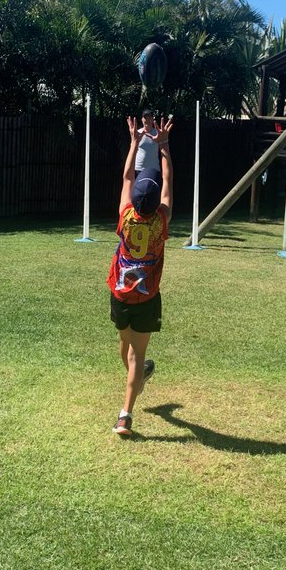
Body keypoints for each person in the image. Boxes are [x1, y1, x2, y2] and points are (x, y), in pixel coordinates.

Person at [106, 114, 174, 436]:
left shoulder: (125, 215)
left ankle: (135, 380)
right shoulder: (161, 220)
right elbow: (168, 182)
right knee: (136, 355)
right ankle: (125, 416)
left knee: (125, 346)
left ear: (134, 199)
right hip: (146, 298)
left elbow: (126, 177)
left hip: (120, 294)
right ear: (156, 201)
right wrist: (164, 146)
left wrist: (134, 143)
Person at [134, 107, 159, 172]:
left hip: (154, 169)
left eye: (149, 117)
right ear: (142, 119)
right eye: (145, 117)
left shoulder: (158, 133)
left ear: (153, 119)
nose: (147, 120)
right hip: (138, 169)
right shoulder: (137, 133)